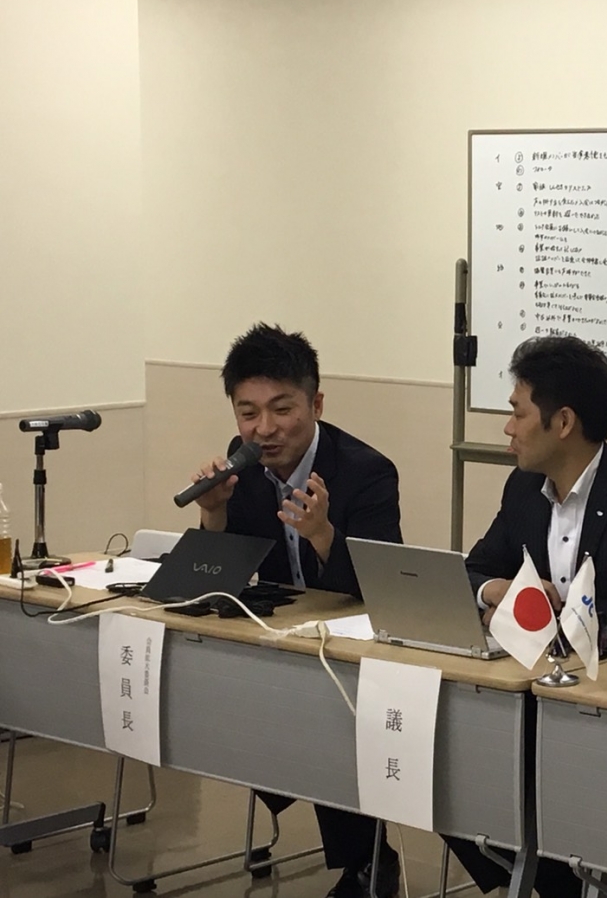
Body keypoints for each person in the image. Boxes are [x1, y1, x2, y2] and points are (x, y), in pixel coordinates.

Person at [455, 334, 607, 897]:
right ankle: (535, 877)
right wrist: (498, 590)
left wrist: (561, 624)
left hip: (601, 710)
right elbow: (475, 569)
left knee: (511, 780)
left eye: (517, 413)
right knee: (446, 762)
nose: (508, 428)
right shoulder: (523, 488)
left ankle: (555, 880)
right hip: (523, 694)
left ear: (562, 422)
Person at [190, 323, 402, 898]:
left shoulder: (366, 471)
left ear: (316, 404)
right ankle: (355, 850)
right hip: (284, 643)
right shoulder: (242, 469)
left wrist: (323, 535)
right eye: (248, 413)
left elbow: (384, 588)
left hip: (357, 651)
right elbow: (216, 581)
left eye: (282, 409)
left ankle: (367, 864)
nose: (264, 429)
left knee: (325, 708)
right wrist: (213, 514)